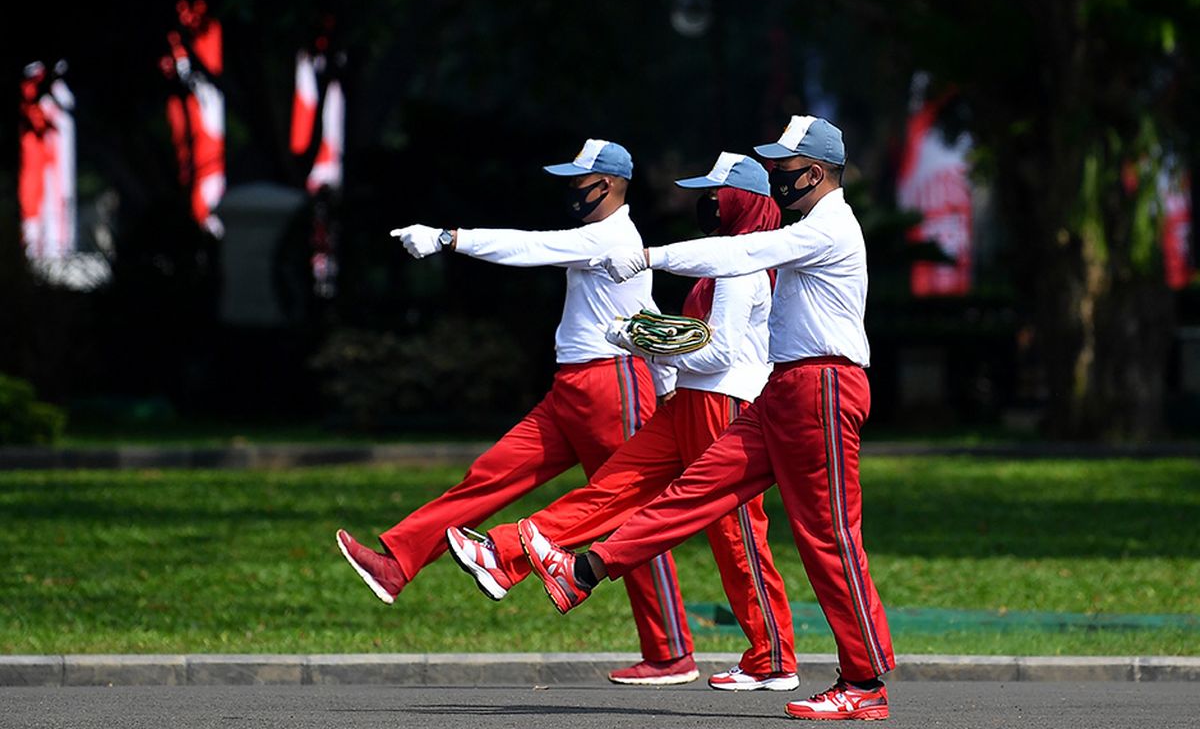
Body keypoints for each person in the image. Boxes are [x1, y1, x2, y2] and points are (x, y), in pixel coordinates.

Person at [521, 117, 896, 721]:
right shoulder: (810, 225)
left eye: (784, 168)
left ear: (818, 173)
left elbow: (742, 252)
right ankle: (584, 571)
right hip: (786, 388)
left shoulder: (829, 227)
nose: (775, 178)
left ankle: (864, 682)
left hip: (823, 387)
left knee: (829, 537)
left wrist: (648, 255)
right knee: (696, 490)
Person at [335, 139, 697, 684]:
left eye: (579, 181)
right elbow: (646, 311)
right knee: (490, 474)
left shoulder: (610, 235)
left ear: (607, 185)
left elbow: (529, 248)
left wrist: (448, 239)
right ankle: (397, 562)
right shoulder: (608, 239)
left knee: (625, 515)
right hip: (574, 389)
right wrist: (668, 379)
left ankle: (671, 651)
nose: (570, 190)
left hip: (612, 386)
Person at [446, 152, 798, 691]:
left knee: (737, 536)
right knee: (612, 487)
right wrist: (653, 340)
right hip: (690, 401)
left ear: (741, 201)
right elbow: (695, 339)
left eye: (715, 194)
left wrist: (644, 344)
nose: (705, 202)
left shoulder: (739, 264)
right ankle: (504, 553)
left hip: (724, 404)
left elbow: (719, 353)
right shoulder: (722, 257)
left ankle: (772, 658)